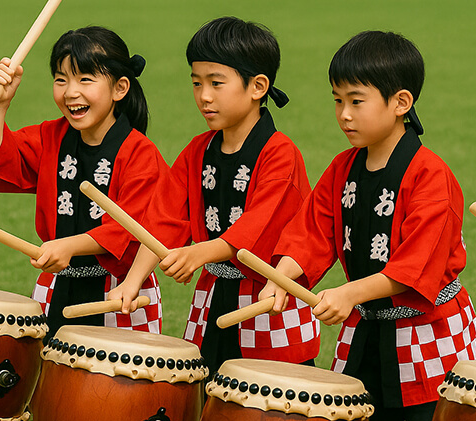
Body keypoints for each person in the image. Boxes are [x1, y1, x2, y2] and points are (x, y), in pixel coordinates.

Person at [261, 31, 476, 421]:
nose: (343, 114)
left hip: (428, 330)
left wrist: (348, 293)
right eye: (337, 100)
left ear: (401, 101)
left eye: (356, 101)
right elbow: (311, 233)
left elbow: (414, 266)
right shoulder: (343, 168)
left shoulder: (431, 176)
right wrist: (281, 276)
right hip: (367, 326)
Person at [108, 17, 320, 371]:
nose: (204, 96)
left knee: (276, 413)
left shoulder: (280, 153)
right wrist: (132, 281)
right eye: (196, 83)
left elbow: (255, 229)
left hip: (269, 300)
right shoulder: (198, 151)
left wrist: (198, 252)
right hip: (212, 296)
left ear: (258, 86)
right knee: (208, 402)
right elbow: (163, 220)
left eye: (216, 83)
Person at [0, 26, 166, 337]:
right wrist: (0, 108)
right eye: (61, 79)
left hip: (119, 290)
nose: (71, 91)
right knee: (50, 377)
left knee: (114, 383)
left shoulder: (140, 153)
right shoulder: (51, 137)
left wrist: (69, 245)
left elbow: (133, 228)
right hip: (56, 281)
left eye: (85, 79)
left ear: (120, 88)